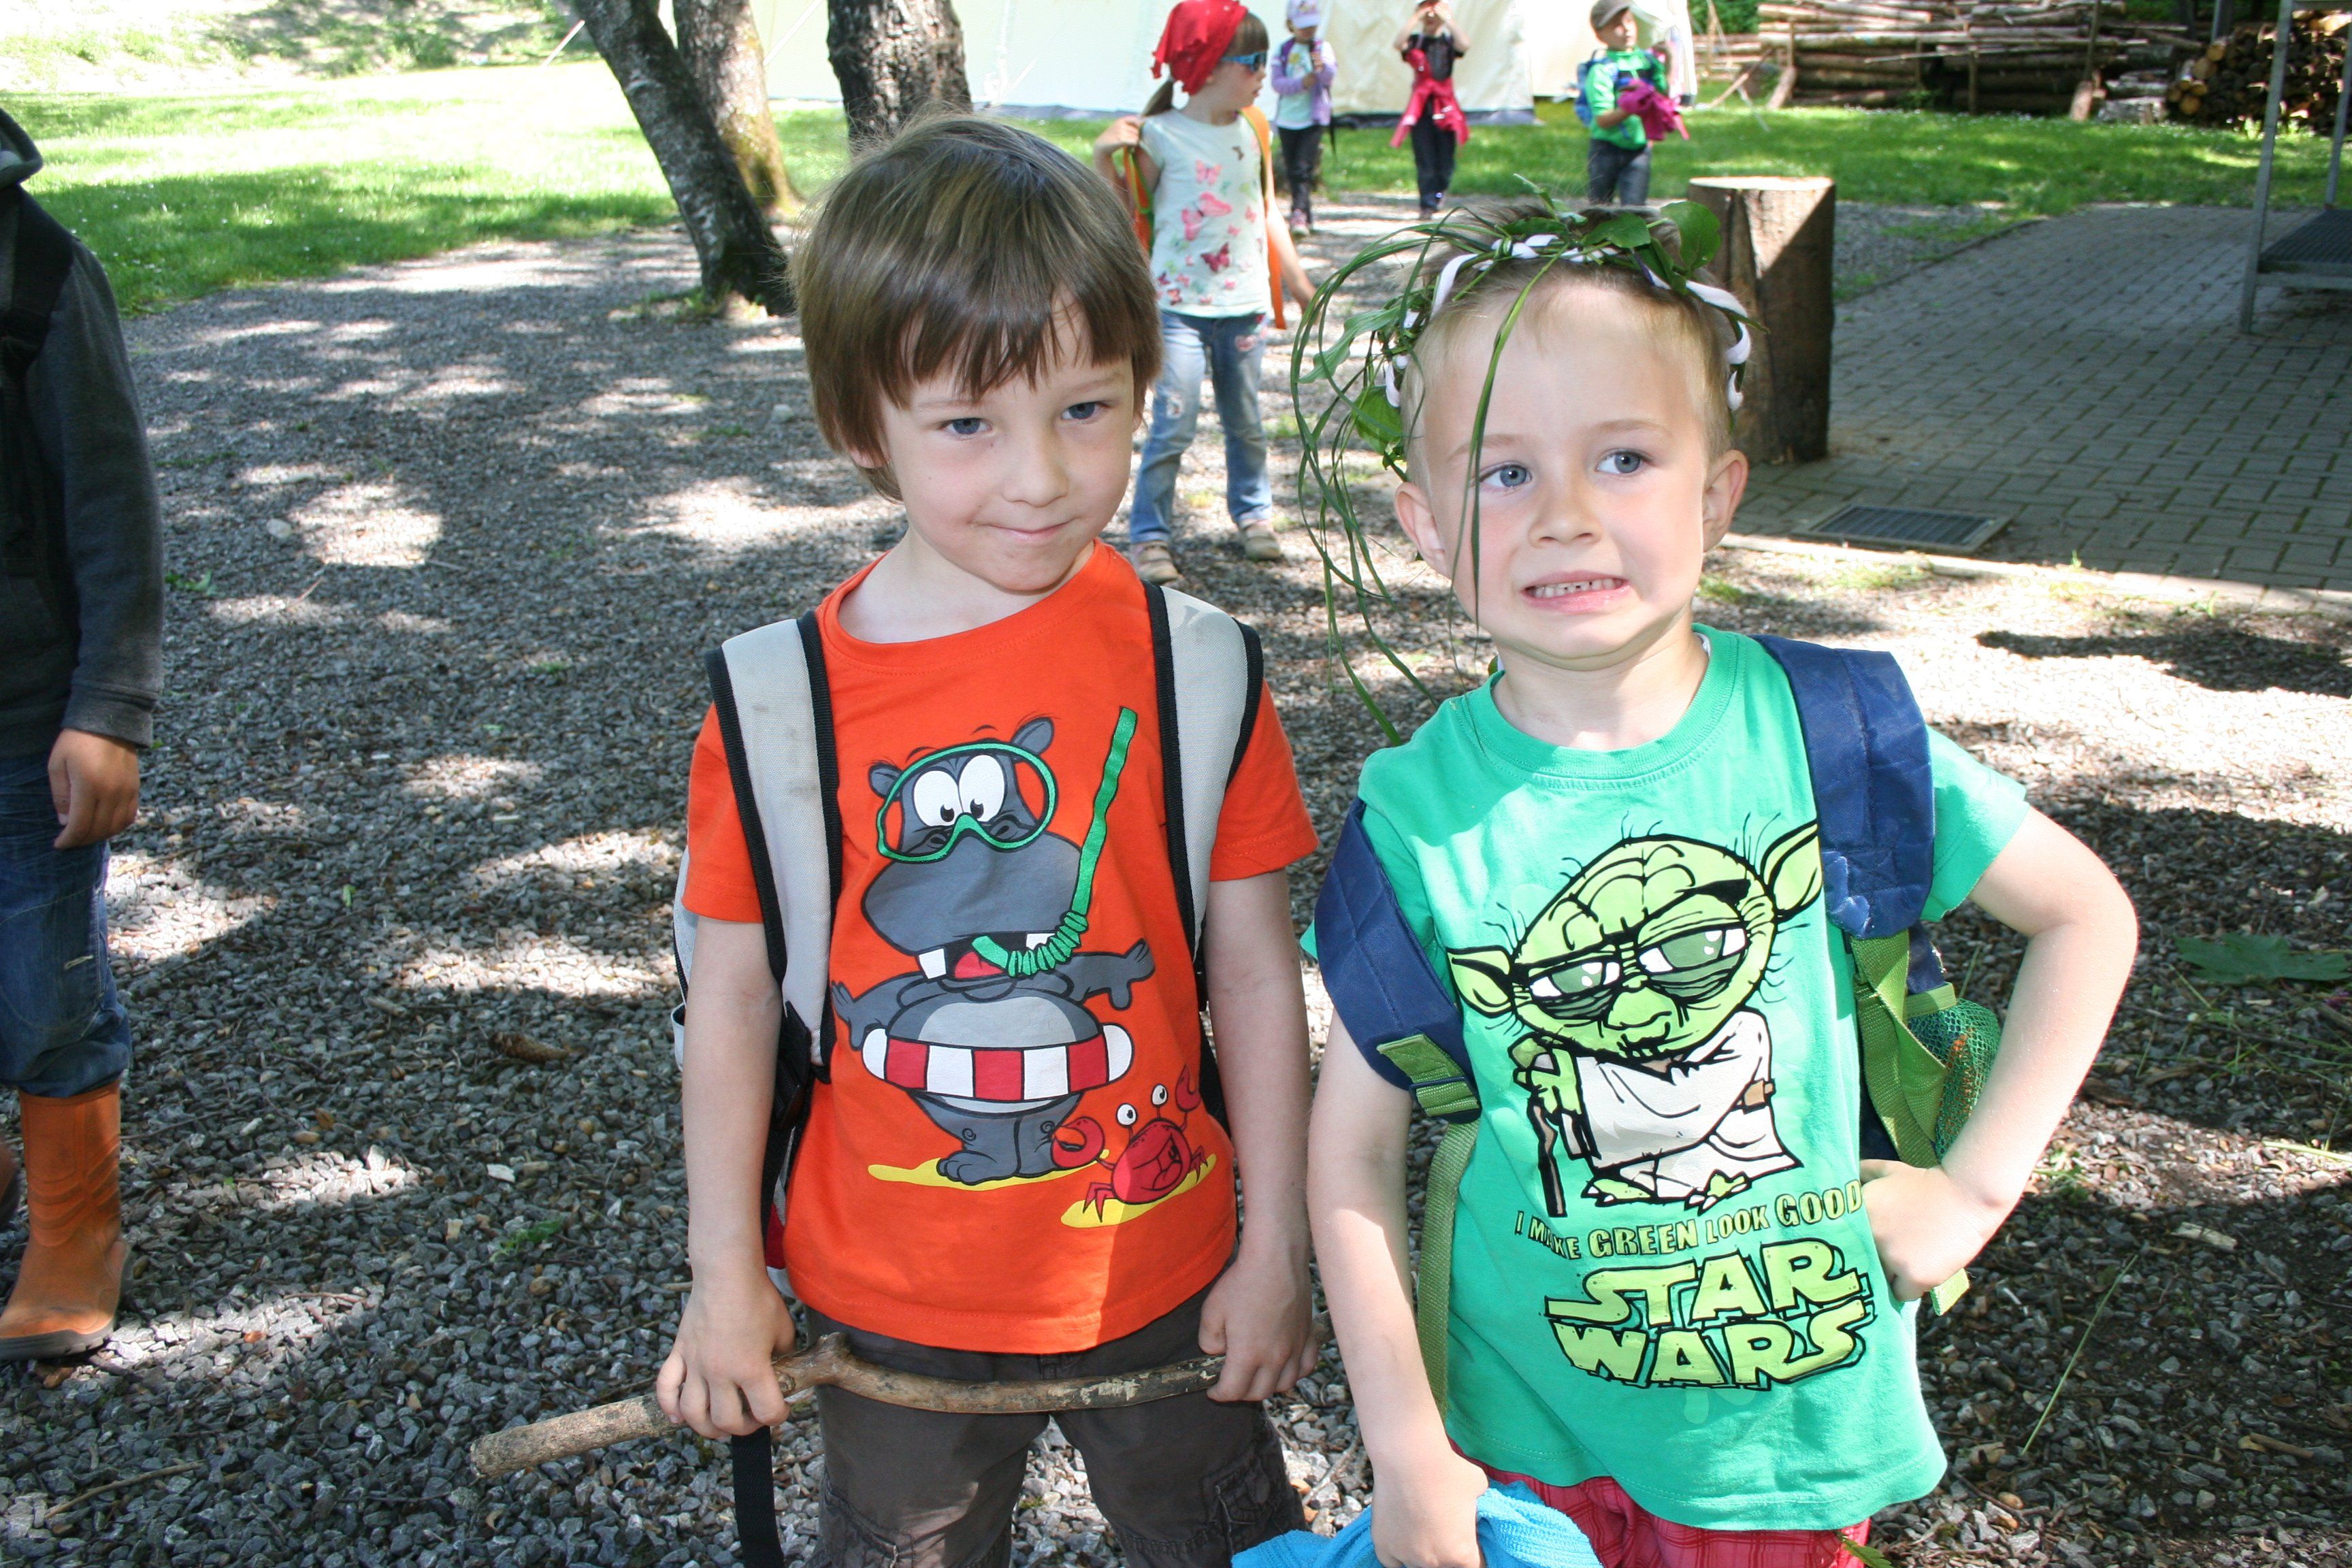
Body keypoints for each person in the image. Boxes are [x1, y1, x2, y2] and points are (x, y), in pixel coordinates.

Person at [1297, 198, 2140, 1568]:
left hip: (1784, 1446)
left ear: (1717, 495)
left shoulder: (1831, 737)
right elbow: (1350, 1148)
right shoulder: (1419, 815)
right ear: (1422, 519)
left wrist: (1973, 1191)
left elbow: (2086, 913)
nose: (1564, 515)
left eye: (1623, 457)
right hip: (1523, 1434)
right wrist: (1405, 1446)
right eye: (1503, 472)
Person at [657, 112, 1324, 1568]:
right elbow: (730, 1005)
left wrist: (1277, 1244)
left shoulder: (1199, 670)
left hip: (1162, 1263)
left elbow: (1255, 974)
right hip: (887, 1297)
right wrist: (724, 1275)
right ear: (862, 427)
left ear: (1144, 388)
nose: (1038, 476)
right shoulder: (776, 703)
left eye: (1085, 408)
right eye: (968, 424)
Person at [0, 109, 159, 1362]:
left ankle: (74, 1229)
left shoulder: (35, 270)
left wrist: (107, 709)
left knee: (42, 985)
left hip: (20, 721)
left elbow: (112, 504)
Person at [1094, 0, 1316, 589]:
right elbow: (1123, 218)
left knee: (1247, 423)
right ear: (1210, 65)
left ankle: (1255, 516)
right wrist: (1101, 158)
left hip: (1244, 307)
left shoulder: (1254, 129)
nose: (1265, 71)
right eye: (1254, 60)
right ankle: (1150, 536)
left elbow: (1267, 210)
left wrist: (1299, 285)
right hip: (1177, 313)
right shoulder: (1160, 136)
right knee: (1172, 426)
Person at [1581, 0, 1671, 206]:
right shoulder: (1602, 70)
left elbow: (1663, 94)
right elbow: (1603, 120)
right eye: (1616, 25)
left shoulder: (1647, 63)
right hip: (1606, 150)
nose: (1626, 29)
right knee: (1600, 210)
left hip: (1640, 149)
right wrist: (1631, 107)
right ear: (1600, 35)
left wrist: (1670, 60)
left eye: (1629, 21)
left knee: (1636, 211)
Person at [1391, 0, 1469, 218]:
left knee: (1445, 159)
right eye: (1427, 9)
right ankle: (1426, 203)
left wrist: (1448, 19)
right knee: (1425, 157)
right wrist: (1417, 17)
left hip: (1445, 106)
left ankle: (1439, 193)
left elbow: (1465, 45)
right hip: (1422, 108)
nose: (1431, 15)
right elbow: (1398, 43)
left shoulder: (1448, 42)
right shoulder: (1416, 41)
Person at [1272, 2, 1338, 236]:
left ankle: (1298, 212)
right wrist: (1300, 84)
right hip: (1288, 118)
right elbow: (1277, 83)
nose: (1308, 31)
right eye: (1303, 26)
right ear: (1291, 25)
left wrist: (1323, 68)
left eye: (1312, 26)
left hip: (1313, 118)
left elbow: (1330, 77)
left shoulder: (1323, 48)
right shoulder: (1283, 50)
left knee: (1303, 167)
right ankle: (1305, 214)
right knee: (1293, 168)